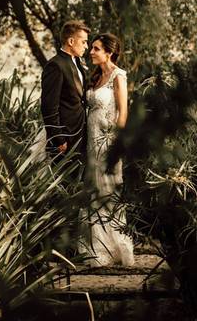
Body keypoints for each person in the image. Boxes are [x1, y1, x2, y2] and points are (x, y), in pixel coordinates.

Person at [81, 32, 134, 267]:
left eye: (96, 48)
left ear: (108, 52)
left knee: (108, 190)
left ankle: (114, 248)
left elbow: (123, 113)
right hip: (91, 140)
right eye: (91, 47)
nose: (91, 52)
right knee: (93, 189)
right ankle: (97, 248)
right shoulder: (94, 78)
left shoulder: (118, 77)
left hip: (107, 141)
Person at [40, 20, 90, 165]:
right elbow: (49, 107)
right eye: (84, 42)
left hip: (80, 134)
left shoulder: (79, 63)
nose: (86, 46)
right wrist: (58, 139)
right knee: (64, 182)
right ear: (71, 41)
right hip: (65, 139)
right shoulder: (55, 65)